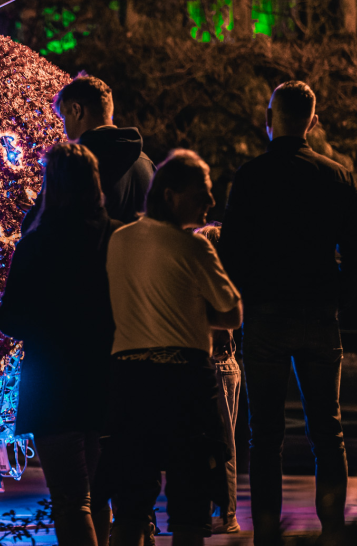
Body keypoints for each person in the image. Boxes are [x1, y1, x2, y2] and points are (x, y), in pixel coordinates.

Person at [218, 81, 357, 544]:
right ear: (313, 122)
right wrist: (335, 300)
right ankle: (333, 532)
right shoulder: (337, 176)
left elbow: (231, 253)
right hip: (319, 315)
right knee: (328, 431)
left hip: (265, 315)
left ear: (270, 119)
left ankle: (267, 533)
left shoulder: (250, 176)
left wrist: (245, 300)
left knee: (264, 435)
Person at [106, 150, 242, 546]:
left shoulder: (119, 240)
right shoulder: (195, 247)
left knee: (131, 500)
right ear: (170, 195)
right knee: (190, 501)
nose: (210, 201)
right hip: (186, 381)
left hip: (130, 379)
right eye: (201, 193)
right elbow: (232, 312)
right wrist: (192, 311)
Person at [0, 143, 121, 546]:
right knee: (100, 495)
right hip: (107, 378)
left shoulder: (36, 244)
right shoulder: (118, 237)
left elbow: (9, 320)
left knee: (71, 501)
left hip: (52, 386)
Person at [22, 73, 154, 233]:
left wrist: (37, 210)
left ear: (77, 110)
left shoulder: (70, 163)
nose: (64, 129)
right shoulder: (146, 164)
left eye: (64, 118)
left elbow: (37, 230)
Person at [193, 223, 241, 536]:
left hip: (217, 366)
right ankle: (218, 512)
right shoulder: (222, 281)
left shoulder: (211, 283)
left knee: (222, 446)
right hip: (222, 365)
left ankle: (226, 515)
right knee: (218, 445)